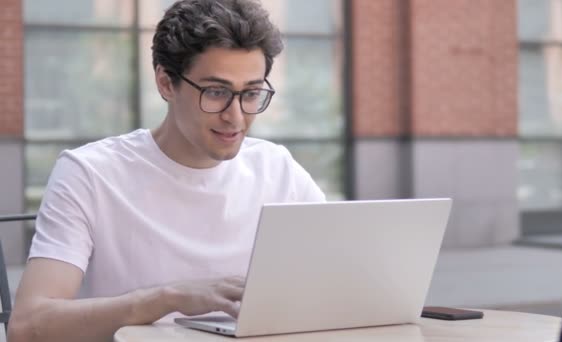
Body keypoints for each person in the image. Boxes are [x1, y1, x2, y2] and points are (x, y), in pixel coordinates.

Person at [8, 0, 325, 341]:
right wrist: (167, 298)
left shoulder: (278, 169)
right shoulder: (90, 174)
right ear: (165, 83)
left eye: (250, 93)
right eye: (216, 92)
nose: (236, 116)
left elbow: (343, 281)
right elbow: (27, 327)